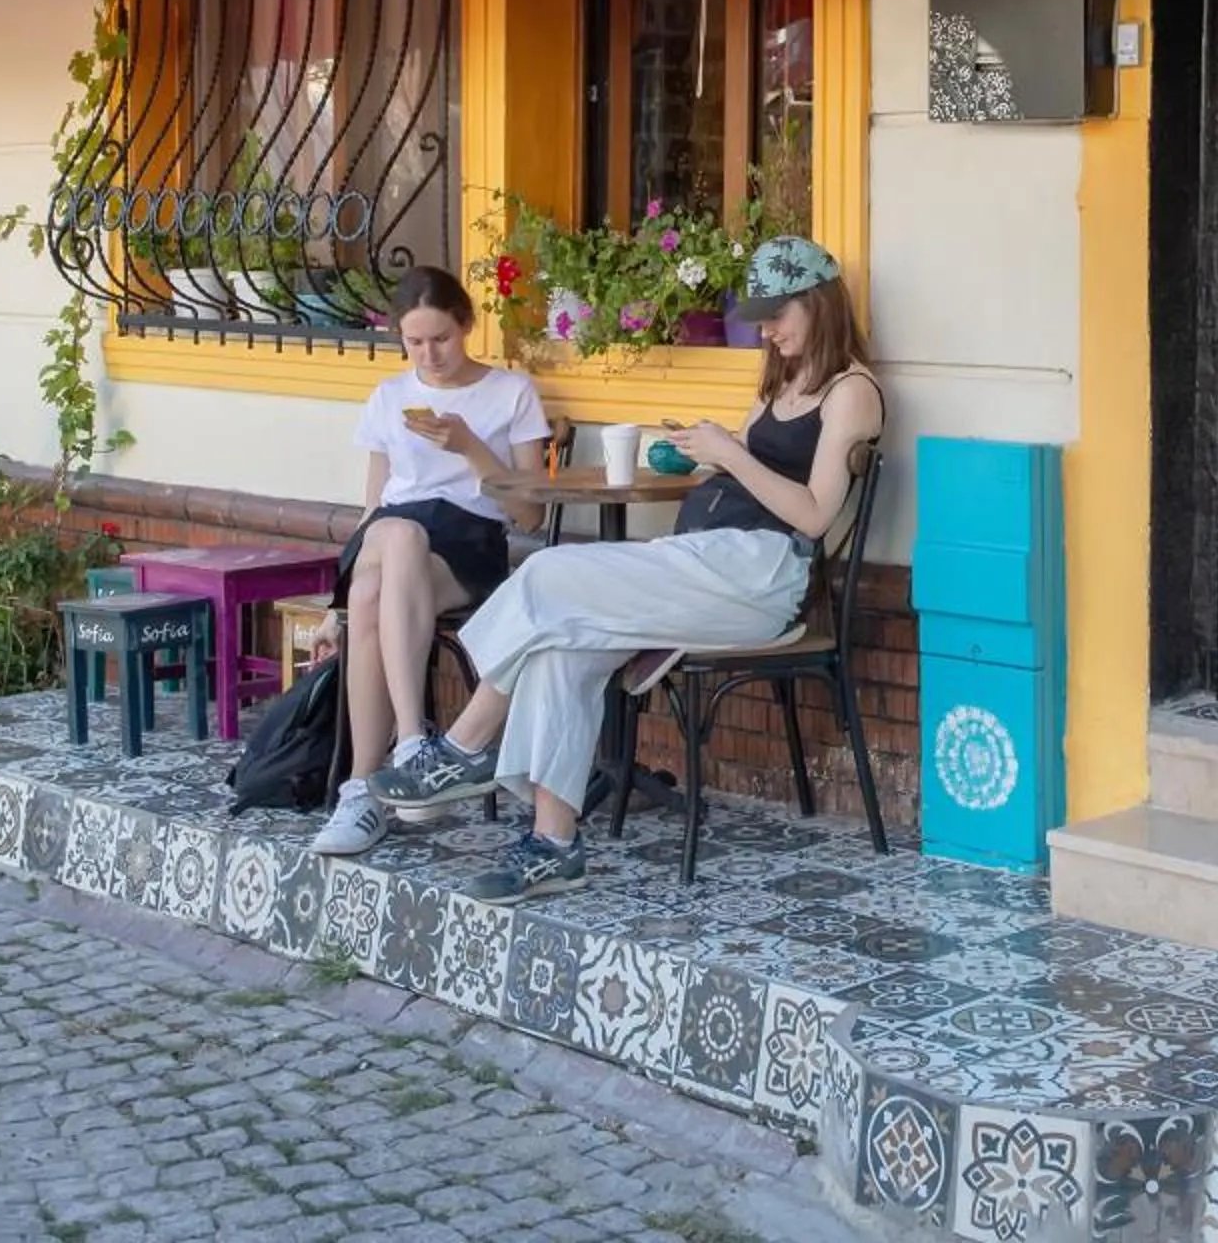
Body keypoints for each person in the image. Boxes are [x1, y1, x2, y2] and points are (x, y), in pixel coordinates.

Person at [369, 236, 883, 902]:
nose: (764, 328)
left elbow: (813, 515)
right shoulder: (781, 384)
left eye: (777, 312)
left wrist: (730, 452)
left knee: (549, 574)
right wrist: (700, 457)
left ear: (818, 302)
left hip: (759, 577)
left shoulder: (851, 391)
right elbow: (745, 474)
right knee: (560, 647)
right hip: (700, 564)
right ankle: (553, 846)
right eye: (759, 314)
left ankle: (464, 748)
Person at [312, 266, 551, 856]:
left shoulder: (510, 392)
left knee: (373, 589)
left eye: (440, 338)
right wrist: (330, 605)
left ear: (466, 325)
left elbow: (529, 516)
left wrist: (471, 447)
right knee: (393, 537)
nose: (429, 354)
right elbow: (373, 508)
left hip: (467, 541)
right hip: (392, 539)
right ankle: (411, 745)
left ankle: (363, 792)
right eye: (414, 342)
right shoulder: (389, 396)